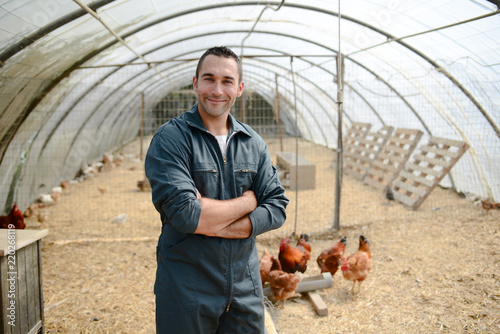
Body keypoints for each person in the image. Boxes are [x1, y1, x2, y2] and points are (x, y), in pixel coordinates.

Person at [145, 46, 289, 333]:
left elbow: (276, 206)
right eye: (209, 79)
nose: (217, 90)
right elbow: (188, 216)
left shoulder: (253, 142)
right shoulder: (171, 139)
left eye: (227, 81)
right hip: (187, 287)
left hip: (245, 287)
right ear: (195, 82)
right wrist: (249, 202)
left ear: (239, 89)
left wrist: (214, 222)